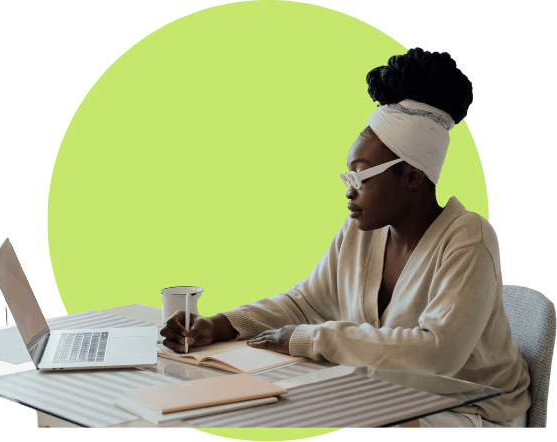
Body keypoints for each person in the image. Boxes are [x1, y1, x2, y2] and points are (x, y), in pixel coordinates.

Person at [160, 47, 531, 428]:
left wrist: (312, 339)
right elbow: (303, 304)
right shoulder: (360, 233)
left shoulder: (468, 239)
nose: (349, 191)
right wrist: (217, 325)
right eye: (348, 176)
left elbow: (438, 355)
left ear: (412, 177)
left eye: (361, 175)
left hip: (474, 407)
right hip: (398, 394)